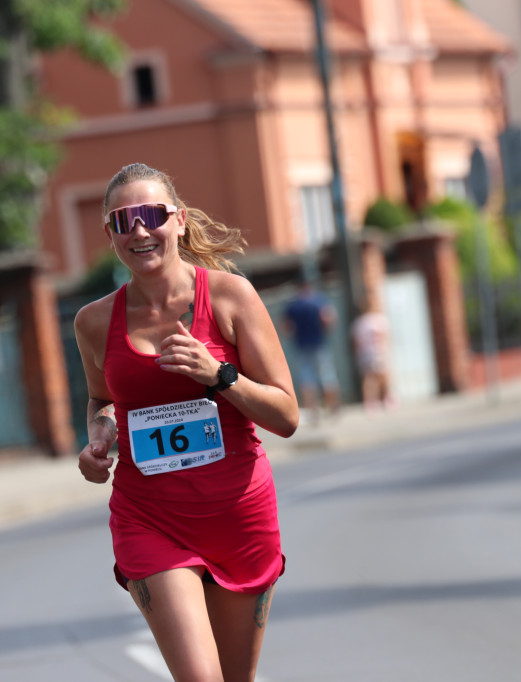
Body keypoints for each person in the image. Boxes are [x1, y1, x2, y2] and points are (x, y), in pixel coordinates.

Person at [74, 163, 299, 681]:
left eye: (151, 214)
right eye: (122, 220)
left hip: (237, 514)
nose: (138, 230)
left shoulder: (229, 297)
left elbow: (286, 416)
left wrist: (219, 375)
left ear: (177, 221)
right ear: (110, 234)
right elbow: (100, 399)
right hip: (149, 516)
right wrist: (99, 435)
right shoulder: (93, 321)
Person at [283, 275, 340, 419]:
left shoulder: (293, 305)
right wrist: (325, 330)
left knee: (306, 379)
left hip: (301, 345)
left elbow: (286, 326)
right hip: (319, 343)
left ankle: (312, 411)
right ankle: (332, 408)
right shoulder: (318, 301)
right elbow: (328, 318)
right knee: (327, 376)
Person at [351, 299, 393, 411]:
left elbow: (355, 342)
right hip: (376, 352)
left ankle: (371, 401)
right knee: (380, 377)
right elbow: (385, 337)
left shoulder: (360, 322)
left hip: (366, 353)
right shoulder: (378, 319)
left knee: (370, 378)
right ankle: (383, 399)